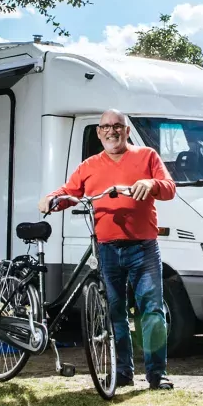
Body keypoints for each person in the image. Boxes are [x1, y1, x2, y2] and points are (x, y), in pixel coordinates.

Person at [40, 110, 178, 390]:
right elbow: (70, 192)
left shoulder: (147, 156)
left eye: (117, 126)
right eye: (105, 127)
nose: (111, 131)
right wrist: (51, 199)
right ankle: (123, 373)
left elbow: (169, 189)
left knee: (151, 311)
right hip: (107, 250)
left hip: (143, 248)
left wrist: (150, 183)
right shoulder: (90, 165)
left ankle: (156, 374)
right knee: (114, 313)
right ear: (99, 132)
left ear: (127, 131)